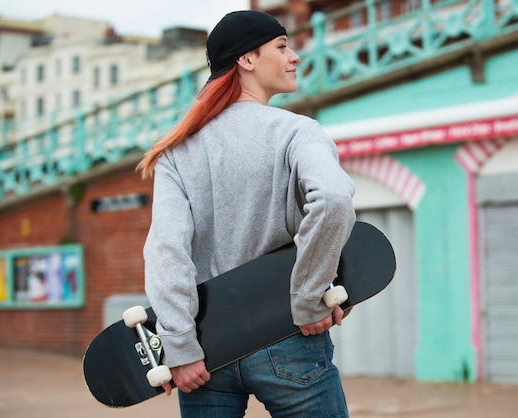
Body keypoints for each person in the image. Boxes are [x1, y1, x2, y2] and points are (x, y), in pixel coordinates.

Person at [137, 10, 356, 418]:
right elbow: (335, 200)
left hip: (207, 350)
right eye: (282, 46)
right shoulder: (297, 131)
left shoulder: (177, 151)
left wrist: (180, 345)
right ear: (247, 59)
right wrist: (310, 299)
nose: (295, 57)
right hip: (287, 337)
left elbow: (166, 251)